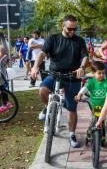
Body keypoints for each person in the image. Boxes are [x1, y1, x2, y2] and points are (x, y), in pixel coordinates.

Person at [31, 15, 89, 148]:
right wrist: (35, 67)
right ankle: (48, 107)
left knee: (71, 108)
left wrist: (81, 67)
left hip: (72, 77)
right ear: (62, 26)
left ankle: (72, 134)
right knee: (43, 90)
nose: (72, 31)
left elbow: (85, 56)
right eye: (69, 28)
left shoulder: (79, 41)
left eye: (75, 29)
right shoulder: (53, 38)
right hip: (55, 74)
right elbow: (42, 54)